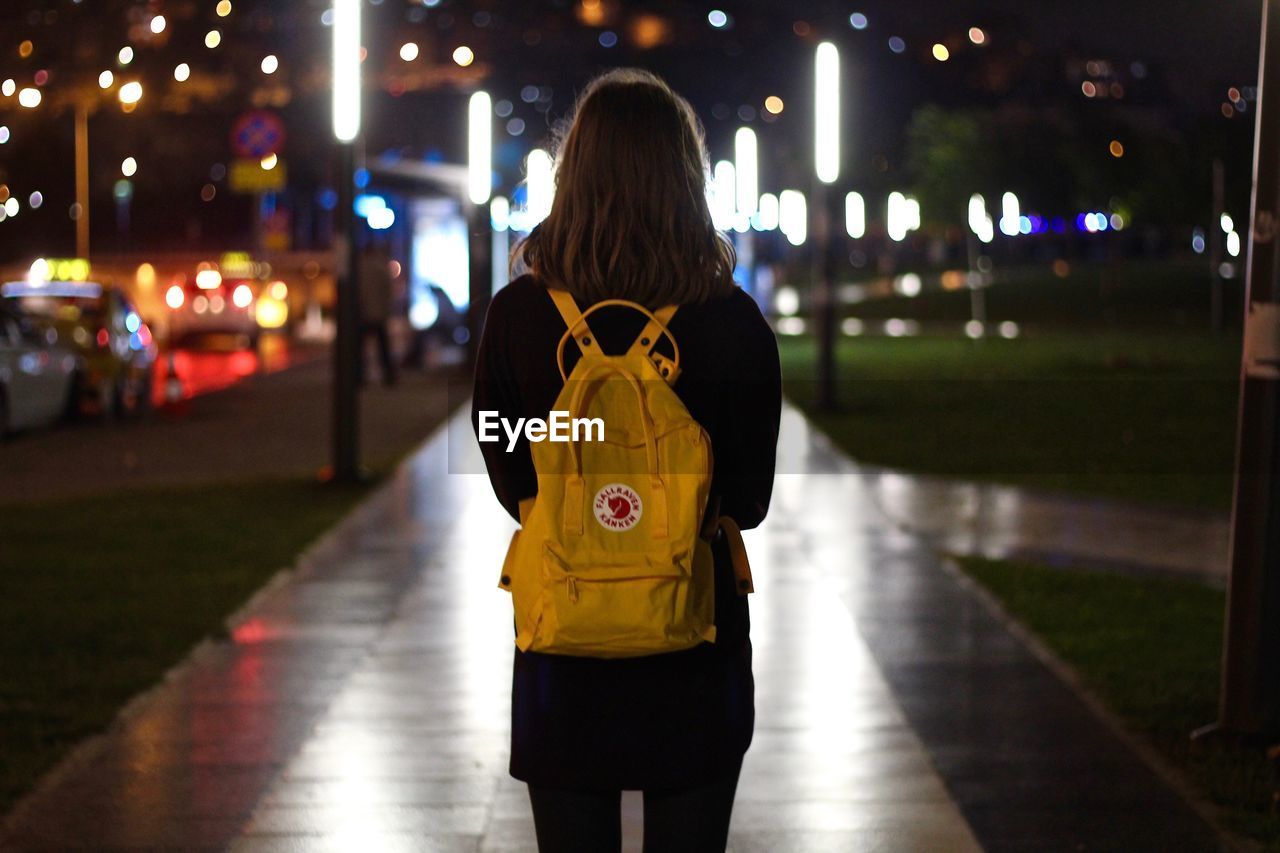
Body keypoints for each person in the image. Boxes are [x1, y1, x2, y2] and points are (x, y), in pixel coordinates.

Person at [471, 69, 781, 853]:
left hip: (564, 636)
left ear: (572, 174)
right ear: (686, 178)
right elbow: (748, 495)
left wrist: (587, 494)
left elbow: (509, 470)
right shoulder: (732, 321)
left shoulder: (518, 317)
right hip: (694, 637)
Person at [358, 241, 397, 387]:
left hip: (365, 314)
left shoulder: (360, 269)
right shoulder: (381, 268)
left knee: (361, 349)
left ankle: (361, 377)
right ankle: (389, 377)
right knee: (383, 348)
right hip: (379, 313)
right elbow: (388, 292)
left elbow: (359, 293)